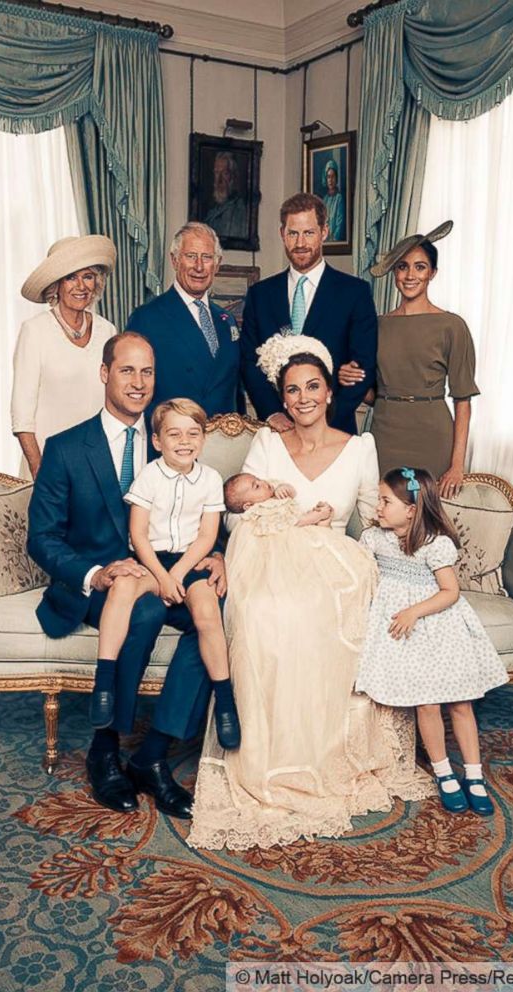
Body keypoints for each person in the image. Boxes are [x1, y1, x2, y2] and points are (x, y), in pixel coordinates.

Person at [188, 334, 433, 851]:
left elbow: (373, 520)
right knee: (266, 612)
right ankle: (266, 757)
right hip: (269, 554)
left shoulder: (360, 448)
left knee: (320, 611)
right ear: (282, 398)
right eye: (292, 389)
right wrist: (228, 546)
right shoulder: (267, 443)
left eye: (312, 387)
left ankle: (322, 754)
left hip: (336, 564)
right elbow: (236, 508)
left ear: (328, 393)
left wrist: (406, 564)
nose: (302, 397)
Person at [27, 332, 226, 820]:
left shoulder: (172, 442)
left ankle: (152, 755)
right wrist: (95, 574)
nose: (139, 383)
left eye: (147, 372)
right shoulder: (66, 448)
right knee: (143, 609)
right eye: (127, 370)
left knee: (220, 612)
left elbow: (197, 515)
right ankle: (104, 747)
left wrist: (218, 554)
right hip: (104, 588)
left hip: (166, 572)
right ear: (104, 373)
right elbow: (42, 537)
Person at [355, 467, 509, 815]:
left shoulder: (434, 544)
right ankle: (443, 773)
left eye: (385, 501)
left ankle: (473, 774)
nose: (377, 507)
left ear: (411, 509)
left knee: (459, 702)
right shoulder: (374, 539)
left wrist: (413, 612)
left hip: (438, 628)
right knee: (426, 704)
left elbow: (450, 592)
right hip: (404, 636)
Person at [92, 398, 241, 751]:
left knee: (207, 611)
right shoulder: (149, 476)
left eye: (193, 433)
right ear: (158, 441)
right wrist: (161, 576)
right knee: (123, 585)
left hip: (189, 561)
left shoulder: (210, 479)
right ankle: (104, 681)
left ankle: (225, 701)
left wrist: (178, 573)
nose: (184, 441)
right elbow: (139, 535)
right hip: (151, 560)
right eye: (174, 434)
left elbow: (207, 536)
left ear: (203, 439)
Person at [338, 221, 479, 498]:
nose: (410, 275)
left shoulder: (452, 326)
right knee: (384, 514)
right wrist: (349, 379)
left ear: (433, 273)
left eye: (420, 266)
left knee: (427, 518)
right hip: (385, 432)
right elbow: (373, 394)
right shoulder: (376, 325)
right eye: (402, 266)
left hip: (433, 435)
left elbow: (463, 400)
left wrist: (457, 465)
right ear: (394, 273)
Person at [240, 192, 377, 437]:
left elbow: (362, 367)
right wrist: (273, 413)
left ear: (324, 232)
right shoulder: (260, 295)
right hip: (277, 431)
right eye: (293, 233)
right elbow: (250, 362)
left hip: (335, 430)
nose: (300, 243)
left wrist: (325, 418)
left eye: (309, 233)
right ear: (282, 234)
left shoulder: (355, 293)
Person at [12, 235, 117, 480]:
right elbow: (22, 415)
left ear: (97, 282)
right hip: (48, 466)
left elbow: (113, 405)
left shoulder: (108, 331)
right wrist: (40, 470)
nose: (80, 286)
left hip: (96, 466)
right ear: (56, 285)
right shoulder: (34, 331)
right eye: (71, 277)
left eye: (88, 276)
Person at [126, 222, 244, 423]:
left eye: (206, 257)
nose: (199, 266)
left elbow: (235, 391)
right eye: (191, 256)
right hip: (173, 441)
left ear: (217, 263)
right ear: (174, 260)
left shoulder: (227, 320)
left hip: (225, 445)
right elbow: (132, 391)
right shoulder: (146, 318)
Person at [224, 473, 332, 526]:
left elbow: (292, 493)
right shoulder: (260, 512)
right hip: (291, 533)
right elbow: (290, 524)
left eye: (258, 479)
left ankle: (320, 520)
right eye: (256, 486)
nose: (263, 483)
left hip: (300, 518)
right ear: (249, 505)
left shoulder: (274, 489)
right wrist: (315, 516)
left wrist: (284, 488)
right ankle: (318, 517)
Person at [204, 151, 248, 241]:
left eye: (225, 173)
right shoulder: (212, 211)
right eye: (216, 173)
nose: (219, 180)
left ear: (233, 177)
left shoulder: (239, 210)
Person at [322, 159, 344, 242]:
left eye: (333, 176)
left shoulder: (339, 198)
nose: (330, 180)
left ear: (336, 178)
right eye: (328, 177)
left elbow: (339, 223)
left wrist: (334, 240)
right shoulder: (325, 199)